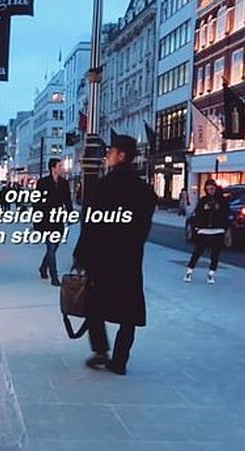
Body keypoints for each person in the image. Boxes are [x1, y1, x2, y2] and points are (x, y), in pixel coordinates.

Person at [73, 134, 157, 375]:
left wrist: (81, 254)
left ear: (121, 155)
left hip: (103, 257)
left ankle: (100, 350)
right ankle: (120, 360)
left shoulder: (104, 186)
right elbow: (144, 227)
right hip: (129, 258)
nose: (107, 155)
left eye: (111, 152)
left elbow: (91, 224)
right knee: (129, 312)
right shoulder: (144, 190)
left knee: (94, 305)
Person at [184, 179, 230, 284]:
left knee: (215, 254)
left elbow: (226, 214)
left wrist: (219, 211)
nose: (210, 191)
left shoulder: (222, 200)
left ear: (215, 188)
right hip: (204, 230)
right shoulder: (203, 200)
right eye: (208, 189)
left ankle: (211, 273)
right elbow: (198, 213)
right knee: (197, 252)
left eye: (212, 189)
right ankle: (189, 271)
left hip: (218, 230)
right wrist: (198, 225)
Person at [35, 158, 73, 286]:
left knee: (54, 247)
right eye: (59, 166)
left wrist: (70, 214)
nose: (62, 168)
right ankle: (54, 276)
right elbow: (37, 202)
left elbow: (67, 200)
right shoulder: (42, 182)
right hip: (46, 219)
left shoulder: (64, 183)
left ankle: (43, 267)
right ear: (53, 168)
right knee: (51, 247)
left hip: (58, 220)